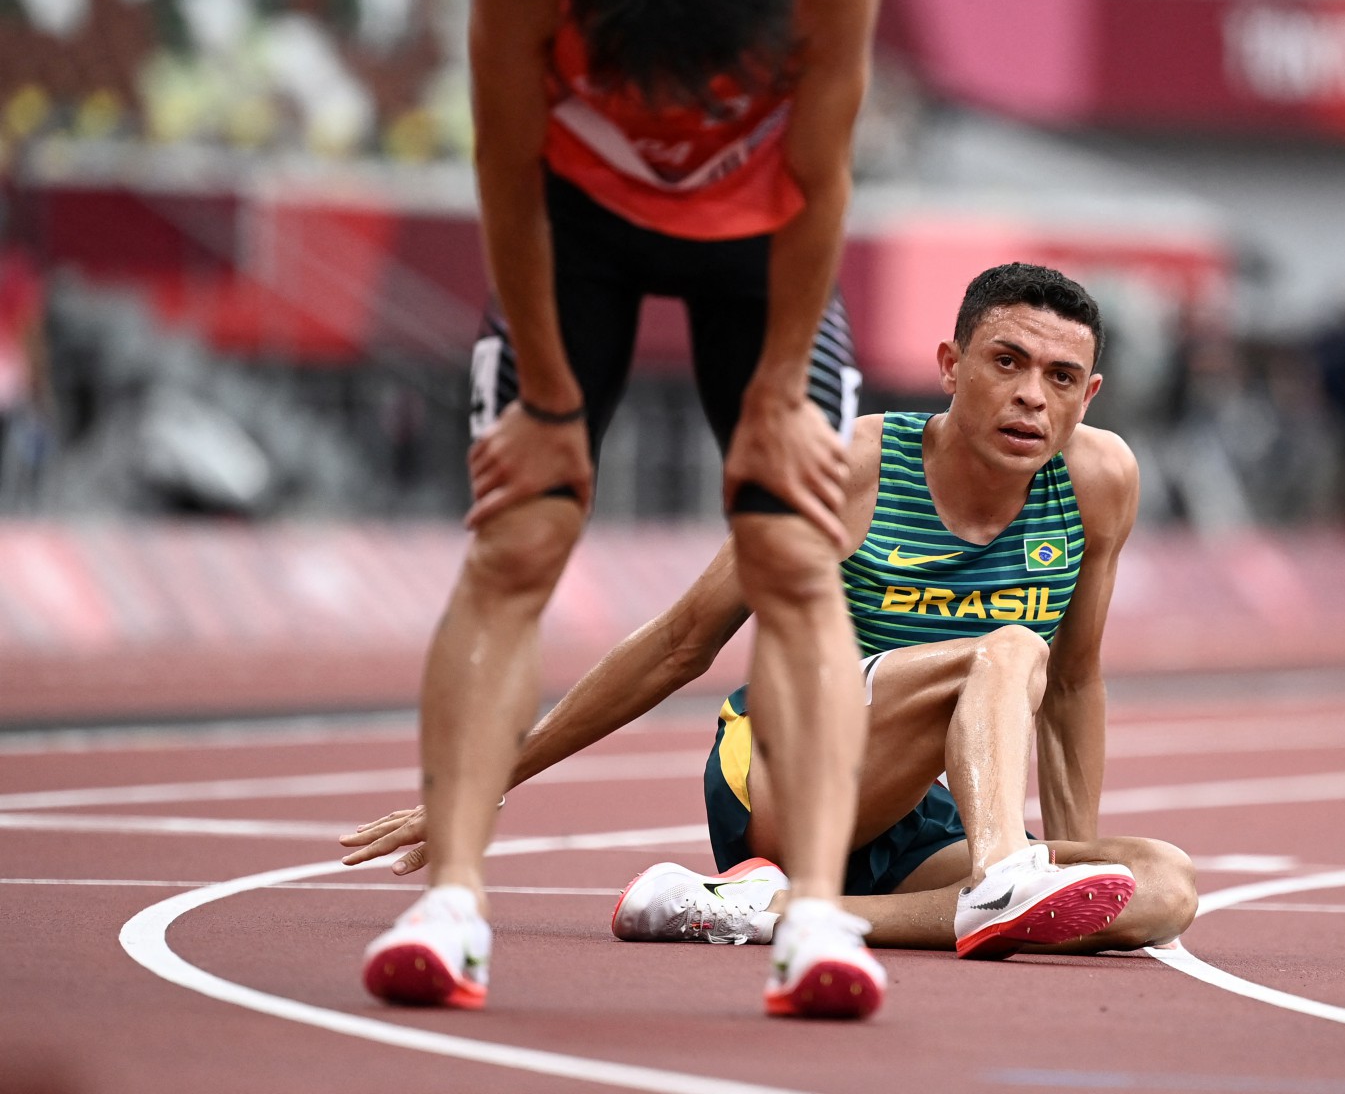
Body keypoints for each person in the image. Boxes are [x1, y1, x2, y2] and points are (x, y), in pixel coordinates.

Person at [343, 264, 1199, 984]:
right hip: (782, 772)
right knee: (1011, 649)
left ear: (1088, 395)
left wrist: (1075, 859)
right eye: (1007, 361)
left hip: (911, 804)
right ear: (949, 363)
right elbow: (683, 641)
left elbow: (1078, 677)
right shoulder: (849, 466)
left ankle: (775, 910)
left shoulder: (1099, 480)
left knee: (1162, 887)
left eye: (1058, 379)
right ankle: (999, 878)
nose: (1029, 397)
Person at [360, 0, 882, 1019]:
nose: (676, 128)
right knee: (516, 541)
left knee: (794, 555)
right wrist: (547, 404)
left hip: (759, 247)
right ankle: (450, 905)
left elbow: (823, 179)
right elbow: (504, 171)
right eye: (647, 92)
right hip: (575, 230)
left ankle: (811, 916)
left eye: (706, 97)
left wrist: (778, 392)